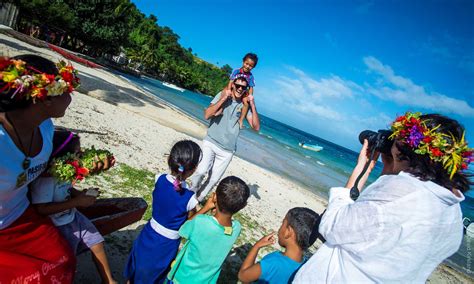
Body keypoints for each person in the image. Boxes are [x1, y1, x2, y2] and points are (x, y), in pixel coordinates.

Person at [294, 112, 473, 283]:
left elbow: (330, 226)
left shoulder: (401, 192)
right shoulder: (452, 213)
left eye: (397, 146)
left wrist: (362, 167)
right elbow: (379, 227)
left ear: (410, 151)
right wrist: (389, 170)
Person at [0, 55, 79, 282]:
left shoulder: (45, 128)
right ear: (44, 99)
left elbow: (42, 171)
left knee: (64, 262)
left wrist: (82, 168)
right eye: (65, 91)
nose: (70, 98)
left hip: (22, 215)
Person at [30, 129, 116, 283]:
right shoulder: (46, 180)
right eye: (77, 152)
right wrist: (76, 202)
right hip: (57, 225)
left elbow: (67, 188)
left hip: (72, 216)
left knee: (96, 241)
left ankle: (108, 280)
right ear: (62, 157)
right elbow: (41, 209)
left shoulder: (68, 172)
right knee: (67, 258)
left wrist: (80, 195)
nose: (81, 155)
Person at [124, 140, 203, 284]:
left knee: (137, 268)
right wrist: (206, 207)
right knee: (154, 275)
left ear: (169, 159)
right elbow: (190, 223)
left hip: (148, 234)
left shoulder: (159, 179)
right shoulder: (190, 199)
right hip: (166, 245)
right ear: (194, 169)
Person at [167, 176, 250, 283]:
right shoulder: (237, 228)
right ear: (243, 206)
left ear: (214, 196)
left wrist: (205, 208)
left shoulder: (200, 222)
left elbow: (183, 229)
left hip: (183, 276)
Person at [190, 75, 260, 202]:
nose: (239, 89)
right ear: (232, 85)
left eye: (243, 87)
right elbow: (207, 115)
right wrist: (224, 99)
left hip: (227, 150)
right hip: (210, 141)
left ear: (246, 89)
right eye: (237, 85)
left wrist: (253, 105)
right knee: (200, 171)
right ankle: (190, 194)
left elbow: (256, 127)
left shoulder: (245, 105)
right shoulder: (222, 95)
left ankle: (197, 200)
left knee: (213, 180)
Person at [238, 207, 320, 284]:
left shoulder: (273, 262)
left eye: (283, 223)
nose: (280, 228)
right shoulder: (306, 266)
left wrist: (256, 246)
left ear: (288, 232)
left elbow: (243, 276)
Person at [225, 53, 258, 129]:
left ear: (253, 67)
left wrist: (250, 96)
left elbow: (251, 87)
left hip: (243, 92)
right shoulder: (236, 71)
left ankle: (241, 119)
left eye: (250, 66)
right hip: (234, 89)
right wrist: (229, 90)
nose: (248, 66)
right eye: (246, 64)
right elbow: (230, 81)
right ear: (243, 62)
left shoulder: (250, 76)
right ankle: (220, 110)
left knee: (246, 102)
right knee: (226, 95)